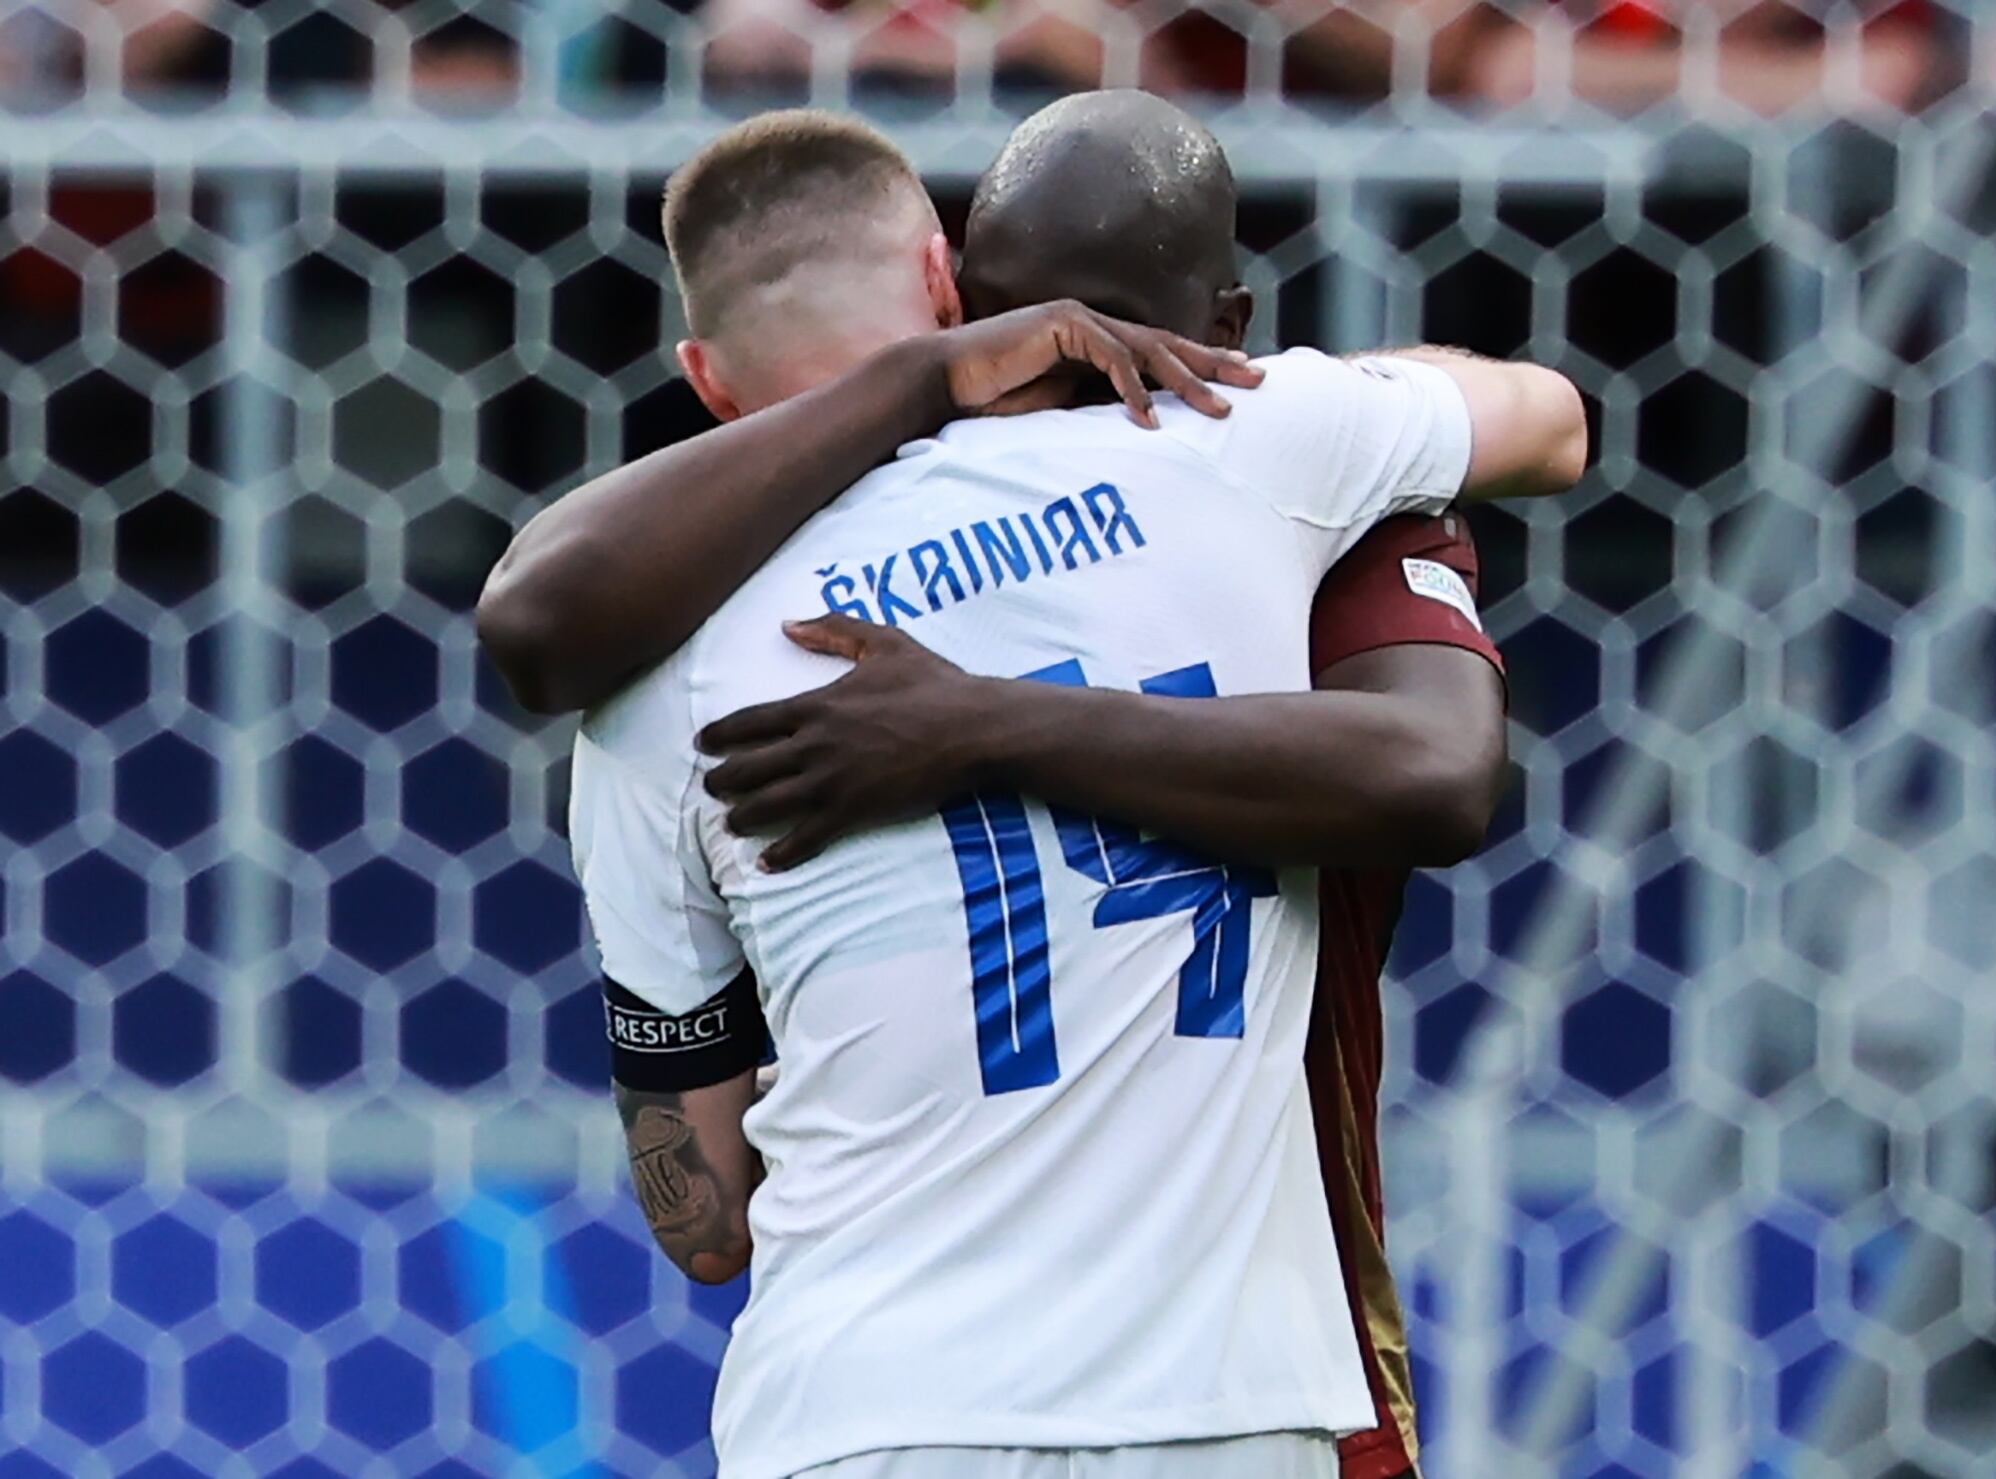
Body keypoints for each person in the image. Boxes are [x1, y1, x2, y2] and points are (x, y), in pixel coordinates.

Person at [481, 95, 1585, 1479]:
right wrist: (1335, 391)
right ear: (944, 279)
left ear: (702, 379)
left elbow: (704, 1223)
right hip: (1226, 1401)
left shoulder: (659, 675)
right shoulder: (1238, 448)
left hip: (860, 1413)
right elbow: (1552, 422)